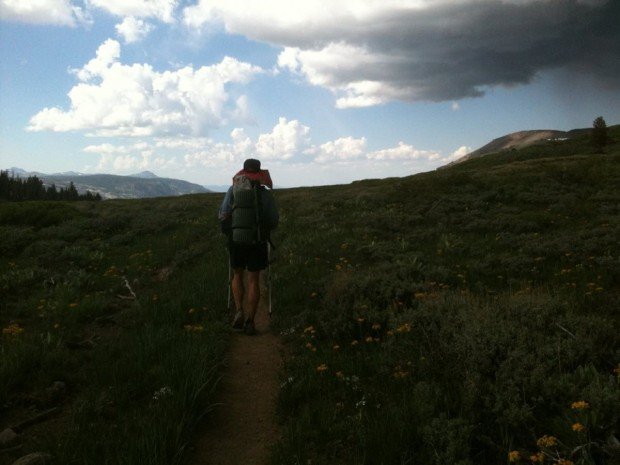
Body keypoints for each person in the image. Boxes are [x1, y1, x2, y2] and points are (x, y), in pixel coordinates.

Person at [218, 159, 278, 335]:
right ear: (259, 174)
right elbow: (274, 220)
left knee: (237, 275)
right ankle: (250, 321)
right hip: (257, 241)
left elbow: (222, 214)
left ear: (243, 172)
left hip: (236, 240)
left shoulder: (232, 190)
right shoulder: (265, 194)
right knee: (253, 279)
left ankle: (238, 310)